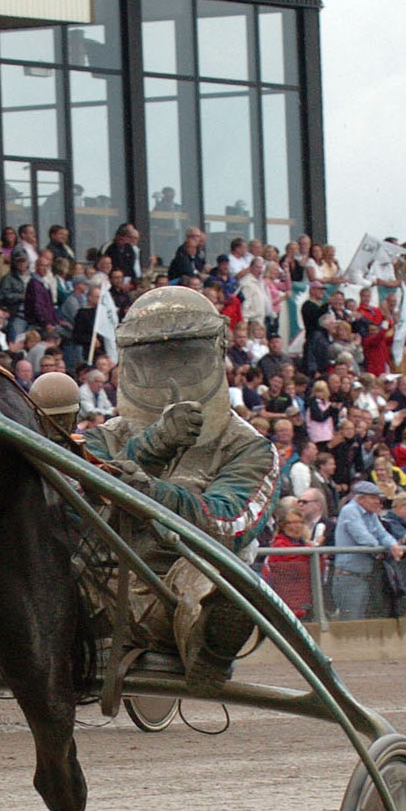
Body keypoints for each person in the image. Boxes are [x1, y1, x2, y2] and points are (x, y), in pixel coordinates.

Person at [83, 285, 279, 692]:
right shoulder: (100, 440)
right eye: (153, 362)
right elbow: (68, 504)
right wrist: (148, 450)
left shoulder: (249, 448)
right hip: (94, 585)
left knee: (210, 570)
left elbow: (230, 521)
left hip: (174, 596)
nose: (169, 376)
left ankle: (212, 641)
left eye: (184, 361)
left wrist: (153, 495)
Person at [331, 481, 404, 620]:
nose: (378, 502)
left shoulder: (370, 514)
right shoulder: (350, 511)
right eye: (373, 498)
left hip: (364, 576)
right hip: (349, 577)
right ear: (360, 498)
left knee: (364, 619)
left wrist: (394, 545)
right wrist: (382, 550)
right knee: (351, 620)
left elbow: (382, 534)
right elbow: (363, 538)